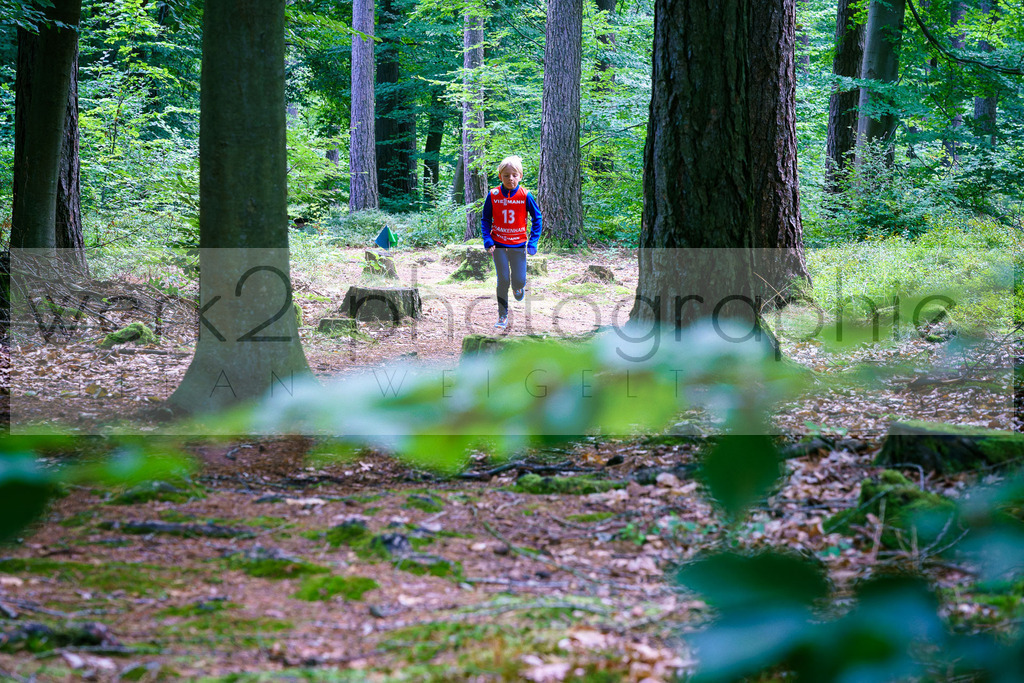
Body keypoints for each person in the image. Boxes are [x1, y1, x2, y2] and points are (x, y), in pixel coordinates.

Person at [481, 155, 542, 329]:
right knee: (503, 280)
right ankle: (502, 314)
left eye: (514, 175)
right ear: (500, 176)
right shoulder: (493, 195)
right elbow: (485, 219)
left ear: (520, 176)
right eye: (506, 175)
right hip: (498, 243)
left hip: (518, 244)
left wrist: (533, 242)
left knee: (519, 279)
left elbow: (537, 218)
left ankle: (518, 287)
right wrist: (487, 239)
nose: (510, 179)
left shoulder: (525, 195)